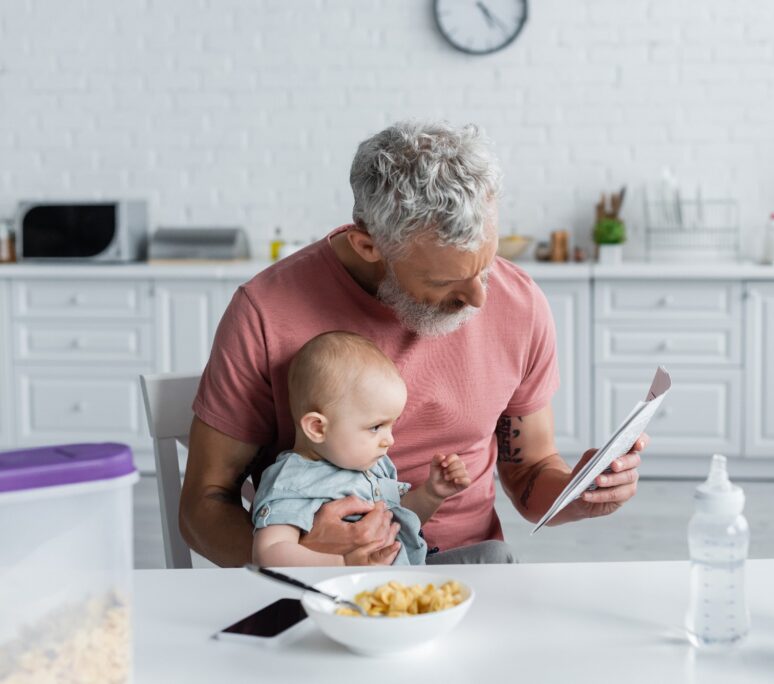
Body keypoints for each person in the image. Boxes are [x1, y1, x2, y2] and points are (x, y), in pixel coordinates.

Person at [182, 120, 648, 567]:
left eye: (485, 266)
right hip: (321, 587)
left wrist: (579, 494)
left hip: (469, 573)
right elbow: (202, 508)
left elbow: (529, 474)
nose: (480, 298)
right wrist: (306, 561)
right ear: (369, 247)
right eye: (447, 281)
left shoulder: (520, 304)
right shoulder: (265, 311)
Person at [251, 330, 503, 567]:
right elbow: (268, 552)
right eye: (375, 427)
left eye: (391, 426)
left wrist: (431, 494)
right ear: (317, 428)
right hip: (354, 594)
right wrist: (342, 564)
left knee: (497, 555)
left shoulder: (373, 465)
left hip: (408, 575)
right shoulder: (292, 480)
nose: (389, 440)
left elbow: (397, 523)